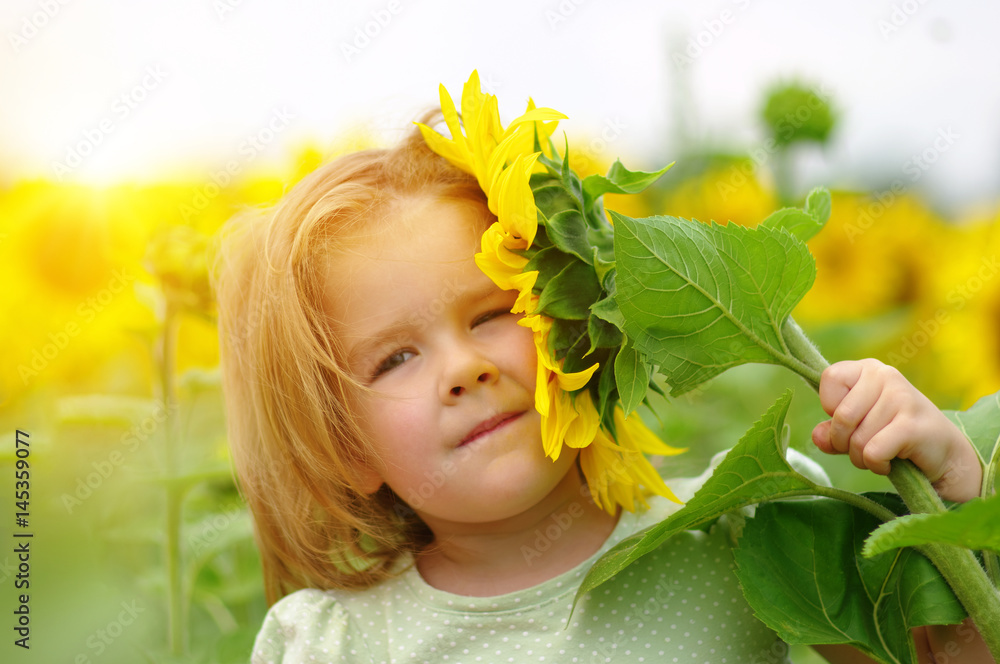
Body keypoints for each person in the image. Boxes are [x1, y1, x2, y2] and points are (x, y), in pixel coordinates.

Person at [214, 113, 989, 663]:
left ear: (578, 313)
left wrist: (948, 500)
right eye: (394, 360)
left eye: (493, 312)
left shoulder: (736, 530)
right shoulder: (335, 647)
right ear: (346, 448)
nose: (465, 369)